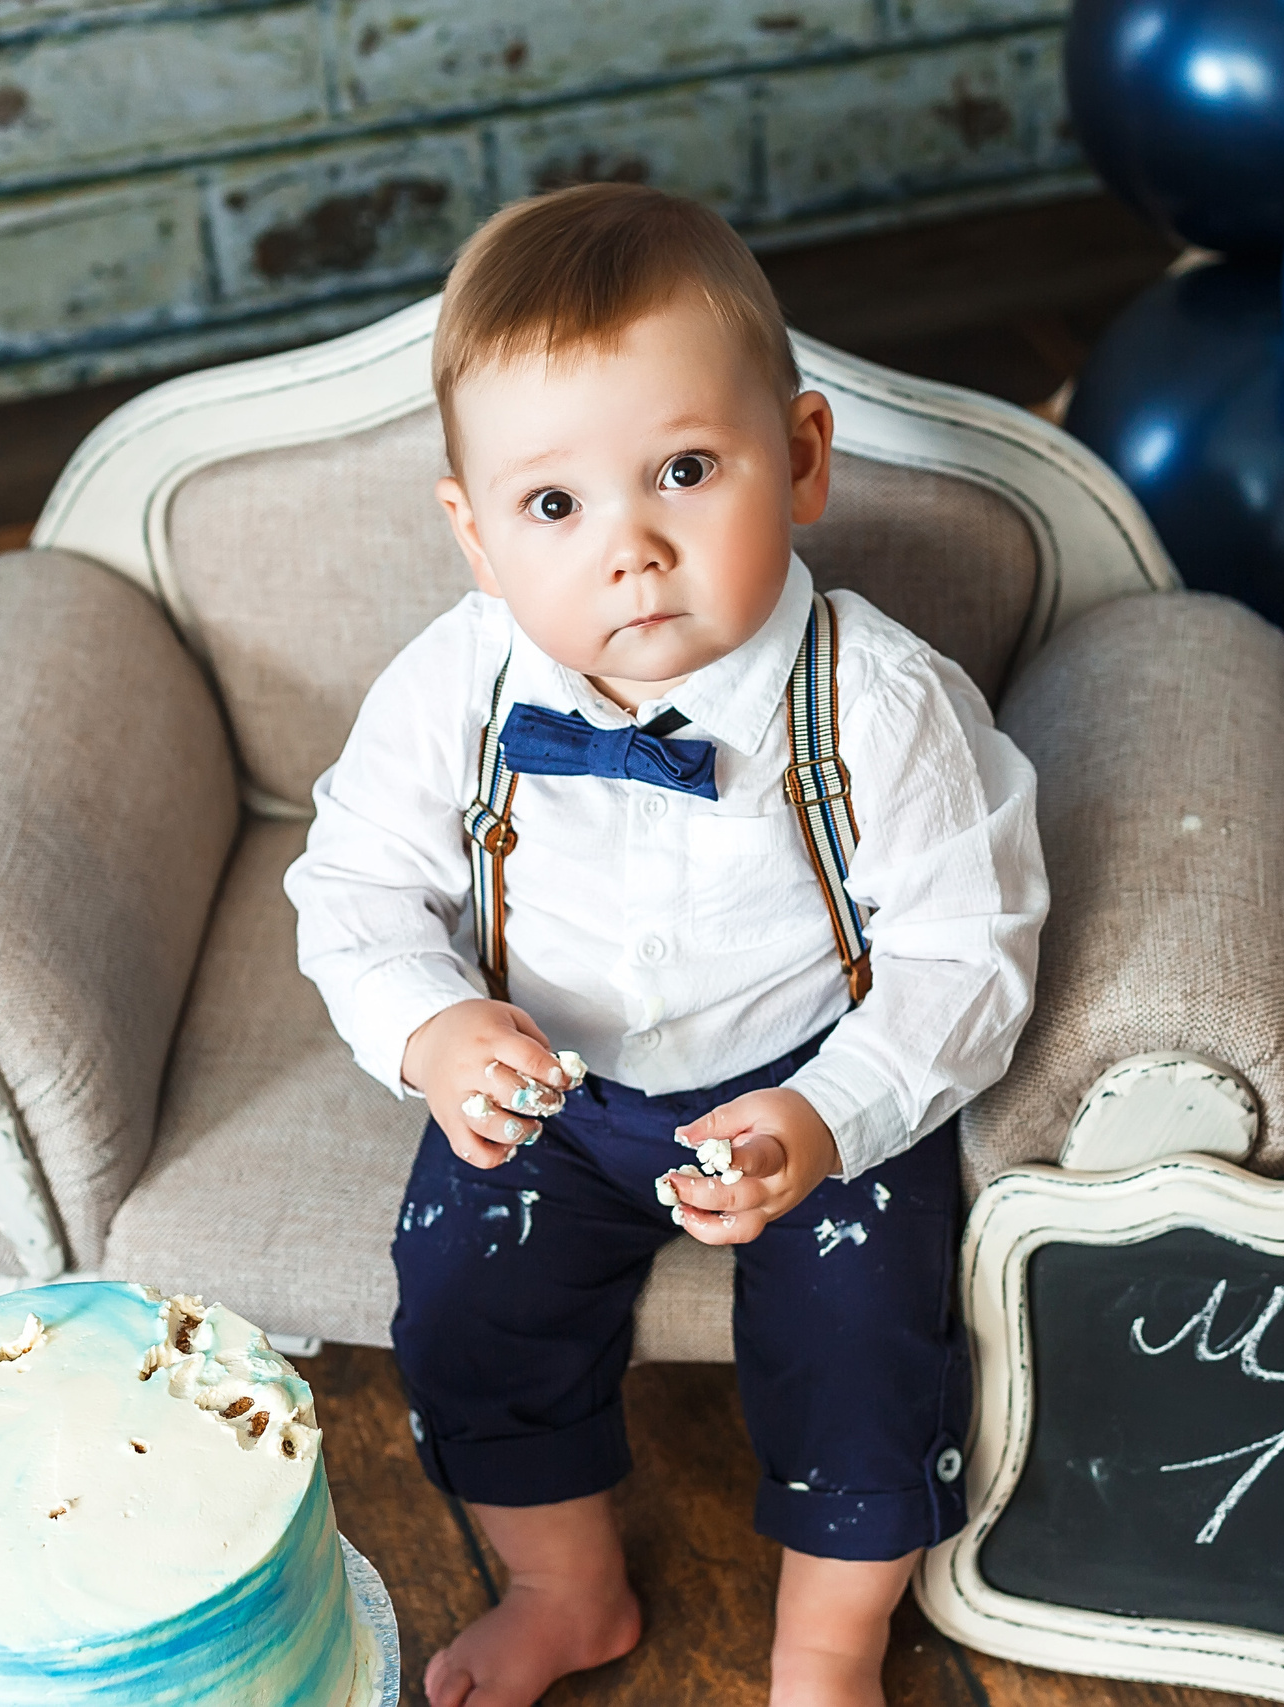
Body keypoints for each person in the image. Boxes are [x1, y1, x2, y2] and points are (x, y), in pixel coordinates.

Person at [284, 182, 1047, 1707]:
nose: (628, 552)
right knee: (458, 1303)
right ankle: (567, 1588)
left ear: (804, 458)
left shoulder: (878, 707)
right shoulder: (458, 687)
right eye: (553, 507)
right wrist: (436, 1032)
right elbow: (355, 886)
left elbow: (974, 947)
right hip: (552, 1087)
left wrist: (830, 1117)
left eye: (684, 472)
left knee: (866, 1340)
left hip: (811, 1082)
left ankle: (827, 1644)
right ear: (478, 538)